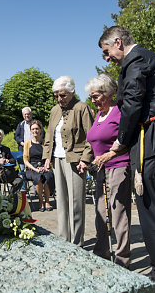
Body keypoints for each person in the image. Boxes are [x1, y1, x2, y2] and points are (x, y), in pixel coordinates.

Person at [98, 26, 155, 292]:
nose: (107, 58)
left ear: (118, 42)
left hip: (151, 138)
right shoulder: (145, 58)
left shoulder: (136, 60)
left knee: (151, 210)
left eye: (106, 51)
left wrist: (120, 142)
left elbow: (132, 103)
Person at [85, 73, 131, 268]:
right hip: (100, 170)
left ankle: (122, 260)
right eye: (91, 97)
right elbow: (94, 142)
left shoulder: (119, 112)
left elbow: (128, 139)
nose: (93, 100)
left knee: (118, 213)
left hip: (119, 166)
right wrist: (86, 160)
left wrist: (109, 155)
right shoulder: (99, 114)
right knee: (100, 213)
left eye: (96, 96)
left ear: (109, 93)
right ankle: (101, 252)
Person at [42, 76, 94, 246]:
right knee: (62, 202)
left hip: (76, 161)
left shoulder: (82, 108)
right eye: (56, 95)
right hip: (57, 160)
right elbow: (49, 136)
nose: (59, 99)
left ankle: (77, 242)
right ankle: (64, 239)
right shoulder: (54, 110)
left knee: (76, 203)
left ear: (72, 92)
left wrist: (85, 159)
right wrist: (47, 158)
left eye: (62, 95)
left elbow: (91, 138)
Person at [23, 120, 55, 212]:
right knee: (39, 177)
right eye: (33, 129)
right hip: (31, 168)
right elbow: (25, 160)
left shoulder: (45, 143)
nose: (35, 131)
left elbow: (50, 157)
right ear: (30, 131)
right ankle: (41, 201)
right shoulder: (27, 143)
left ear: (41, 130)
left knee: (48, 176)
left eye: (37, 129)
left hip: (45, 166)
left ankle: (47, 201)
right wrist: (35, 169)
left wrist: (46, 166)